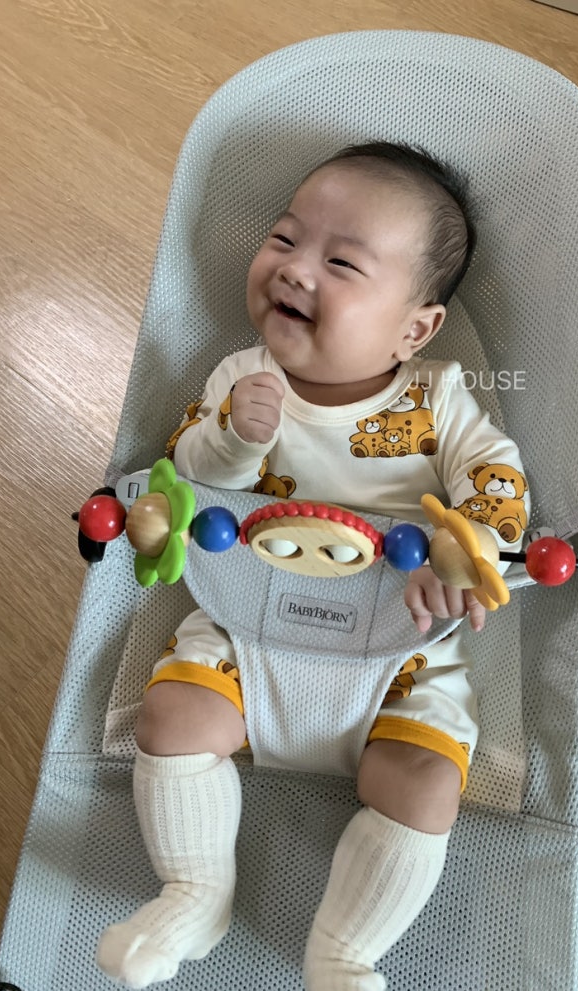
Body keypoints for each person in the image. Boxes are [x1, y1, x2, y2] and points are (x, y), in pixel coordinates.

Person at [97, 142, 529, 989]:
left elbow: (496, 482)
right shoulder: (240, 378)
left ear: (413, 327)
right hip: (244, 629)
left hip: (397, 655)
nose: (295, 268)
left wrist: (465, 548)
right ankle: (194, 889)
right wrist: (232, 440)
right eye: (284, 239)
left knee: (423, 784)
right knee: (171, 717)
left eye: (340, 262)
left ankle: (344, 949)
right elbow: (182, 477)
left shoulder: (436, 398)